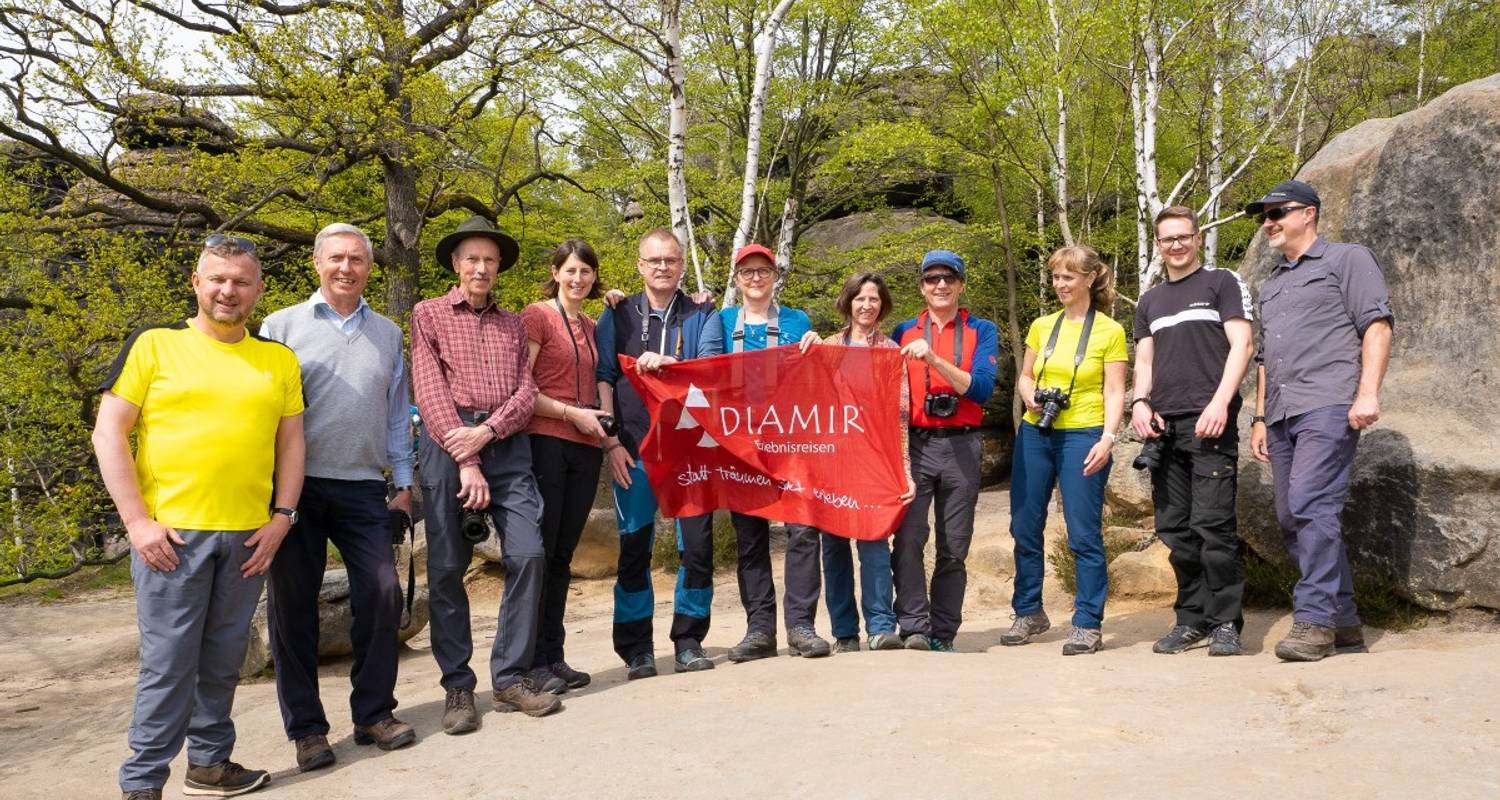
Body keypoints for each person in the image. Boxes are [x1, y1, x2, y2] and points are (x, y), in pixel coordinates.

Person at [95, 234, 304, 800]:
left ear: (259, 290)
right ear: (196, 282)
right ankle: (143, 781)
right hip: (174, 536)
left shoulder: (277, 359)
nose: (227, 290)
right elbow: (109, 432)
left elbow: (291, 444)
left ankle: (210, 764)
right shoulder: (154, 346)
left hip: (249, 537)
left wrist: (283, 516)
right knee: (168, 664)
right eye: (217, 278)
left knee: (222, 660)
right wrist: (137, 522)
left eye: (241, 280)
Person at [258, 223, 416, 771]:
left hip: (365, 486)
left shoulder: (389, 334)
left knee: (381, 592)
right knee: (292, 607)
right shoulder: (279, 326)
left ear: (370, 267)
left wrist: (403, 484)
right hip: (293, 489)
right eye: (336, 259)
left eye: (357, 259)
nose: (346, 268)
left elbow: (399, 414)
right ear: (317, 264)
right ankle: (306, 729)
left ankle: (374, 712)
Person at [411, 215, 560, 735]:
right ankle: (458, 686)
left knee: (528, 554)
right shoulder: (427, 315)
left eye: (489, 260)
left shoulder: (514, 323)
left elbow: (525, 394)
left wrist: (489, 435)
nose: (481, 267)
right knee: (449, 567)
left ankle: (511, 677)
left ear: (499, 268)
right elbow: (429, 391)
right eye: (471, 258)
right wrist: (466, 458)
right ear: (456, 264)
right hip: (446, 444)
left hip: (505, 443)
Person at [1246, 180, 1393, 662]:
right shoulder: (1273, 282)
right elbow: (1265, 357)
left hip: (1328, 404)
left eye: (1277, 213)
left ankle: (1314, 623)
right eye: (1263, 215)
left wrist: (1367, 393)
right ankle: (1345, 621)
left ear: (1308, 213)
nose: (1268, 222)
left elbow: (1376, 325)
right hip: (1283, 412)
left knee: (1311, 504)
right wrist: (1261, 417)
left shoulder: (1347, 259)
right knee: (1293, 517)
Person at [595, 227, 726, 677]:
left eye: (670, 260)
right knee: (635, 547)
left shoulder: (702, 313)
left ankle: (689, 639)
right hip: (632, 449)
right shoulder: (617, 313)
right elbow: (604, 376)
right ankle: (637, 649)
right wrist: (610, 440)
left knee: (698, 548)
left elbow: (709, 368)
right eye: (654, 261)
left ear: (682, 265)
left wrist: (670, 364)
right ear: (640, 266)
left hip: (691, 451)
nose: (663, 268)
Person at [1130, 207, 1255, 657]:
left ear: (1198, 238)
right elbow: (1144, 361)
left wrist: (1221, 402)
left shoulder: (1222, 282)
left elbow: (1242, 344)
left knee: (1213, 526)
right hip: (1163, 428)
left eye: (1183, 237)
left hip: (1211, 422)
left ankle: (1226, 622)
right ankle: (1192, 619)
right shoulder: (1150, 300)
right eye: (1167, 239)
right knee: (1174, 528)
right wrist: (1139, 403)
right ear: (1159, 244)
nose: (1176, 245)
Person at [1005, 245, 1127, 656]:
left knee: (1083, 532)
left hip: (1084, 433)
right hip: (1036, 432)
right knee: (1024, 525)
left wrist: (1108, 438)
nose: (1060, 284)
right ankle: (1028, 611)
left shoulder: (1110, 331)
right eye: (1056, 277)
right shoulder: (1042, 326)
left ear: (1089, 278)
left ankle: (1087, 622)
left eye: (1068, 277)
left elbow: (1114, 390)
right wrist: (1032, 396)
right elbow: (1024, 376)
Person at [715, 244, 828, 661]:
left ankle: (801, 625)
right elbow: (707, 369)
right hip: (743, 445)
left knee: (803, 531)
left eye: (764, 270)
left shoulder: (798, 320)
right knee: (750, 537)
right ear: (737, 278)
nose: (756, 278)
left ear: (775, 275)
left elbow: (817, 378)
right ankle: (759, 630)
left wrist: (818, 349)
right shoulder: (724, 321)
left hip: (793, 442)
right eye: (748, 272)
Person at [889, 250, 1000, 652]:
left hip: (962, 444)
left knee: (954, 545)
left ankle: (943, 632)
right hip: (915, 445)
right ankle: (914, 626)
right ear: (921, 286)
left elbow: (983, 388)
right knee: (908, 538)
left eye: (948, 278)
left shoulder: (981, 329)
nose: (940, 285)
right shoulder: (903, 330)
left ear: (961, 285)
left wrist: (934, 359)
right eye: (932, 279)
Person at [797, 271, 913, 653]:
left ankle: (880, 627)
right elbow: (806, 402)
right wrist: (808, 351)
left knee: (874, 540)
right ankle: (844, 631)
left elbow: (900, 415)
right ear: (848, 302)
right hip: (832, 461)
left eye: (874, 300)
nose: (867, 306)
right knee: (834, 546)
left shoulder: (891, 351)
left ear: (883, 305)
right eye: (860, 299)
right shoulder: (827, 346)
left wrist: (904, 470)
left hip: (874, 462)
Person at [518, 240, 613, 693]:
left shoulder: (594, 325)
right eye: (571, 270)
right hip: (545, 441)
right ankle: (530, 660)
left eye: (587, 272)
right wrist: (567, 413)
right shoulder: (536, 316)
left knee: (562, 556)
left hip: (585, 448)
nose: (579, 279)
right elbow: (522, 389)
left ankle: (553, 656)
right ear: (556, 271)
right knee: (540, 552)